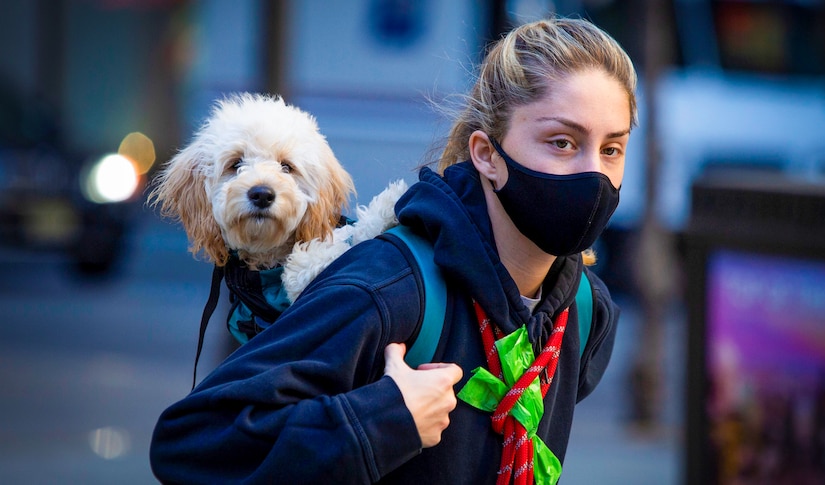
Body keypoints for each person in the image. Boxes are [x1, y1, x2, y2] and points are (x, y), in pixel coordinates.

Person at [150, 17, 636, 485]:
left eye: (611, 149)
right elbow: (192, 443)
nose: (592, 176)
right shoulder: (386, 289)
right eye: (562, 142)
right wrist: (381, 421)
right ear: (487, 155)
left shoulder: (587, 315)